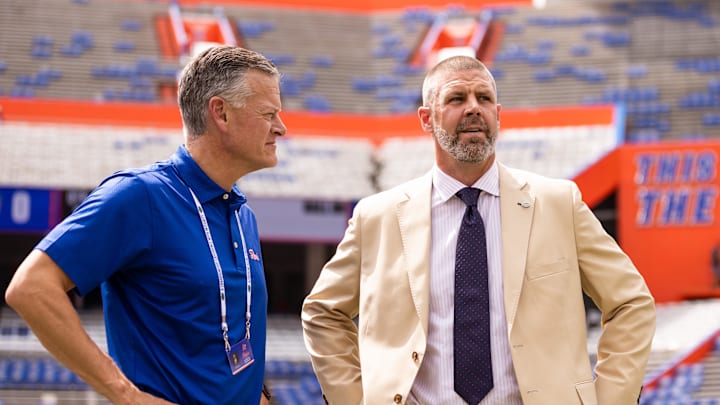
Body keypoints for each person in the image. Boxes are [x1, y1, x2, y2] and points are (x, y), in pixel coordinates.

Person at [301, 55, 656, 405]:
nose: (473, 108)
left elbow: (631, 302)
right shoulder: (376, 217)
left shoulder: (560, 203)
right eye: (457, 99)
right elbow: (323, 313)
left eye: (484, 98)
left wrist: (610, 398)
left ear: (498, 115)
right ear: (427, 118)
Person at [5, 45, 286, 404]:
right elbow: (31, 288)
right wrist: (127, 396)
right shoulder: (141, 195)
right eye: (269, 113)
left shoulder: (242, 214)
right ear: (221, 114)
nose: (280, 127)